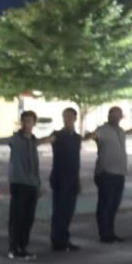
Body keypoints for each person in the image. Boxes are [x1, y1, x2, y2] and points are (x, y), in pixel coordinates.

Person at [87, 106, 132, 243]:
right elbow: (93, 136)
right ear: (109, 115)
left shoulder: (120, 131)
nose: (116, 117)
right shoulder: (103, 130)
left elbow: (130, 131)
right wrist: (89, 135)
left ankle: (110, 233)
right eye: (113, 115)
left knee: (114, 205)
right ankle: (104, 234)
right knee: (105, 205)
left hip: (119, 173)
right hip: (106, 173)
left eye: (118, 115)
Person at [7, 110, 49, 260]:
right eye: (24, 121)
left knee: (28, 218)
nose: (27, 124)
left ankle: (23, 246)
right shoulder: (15, 139)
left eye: (30, 121)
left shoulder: (33, 141)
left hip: (32, 184)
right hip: (19, 183)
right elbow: (2, 141)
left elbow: (35, 165)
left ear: (34, 123)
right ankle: (14, 247)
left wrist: (38, 185)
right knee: (16, 217)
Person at [48, 107, 83, 252]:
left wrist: (78, 179)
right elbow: (47, 140)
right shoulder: (57, 135)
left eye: (70, 117)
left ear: (75, 118)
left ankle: (65, 238)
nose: (67, 119)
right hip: (60, 177)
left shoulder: (76, 137)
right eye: (65, 116)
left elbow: (76, 159)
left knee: (69, 211)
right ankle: (58, 241)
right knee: (60, 211)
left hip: (73, 177)